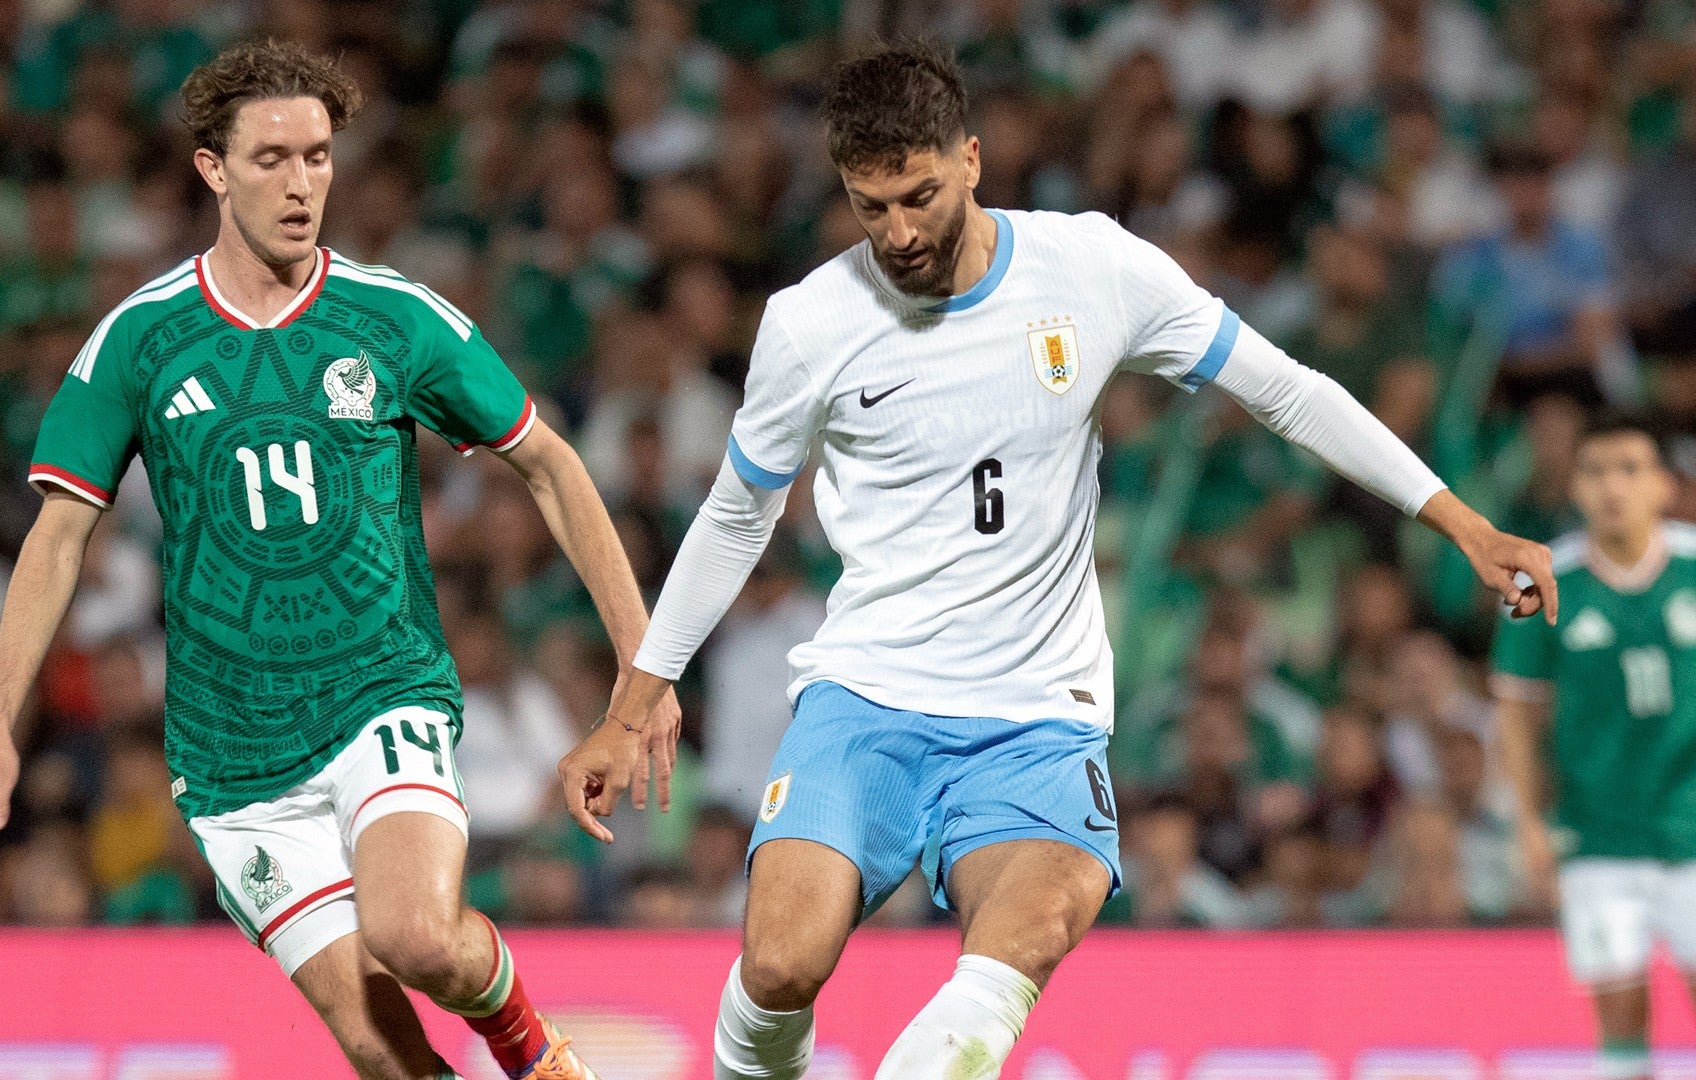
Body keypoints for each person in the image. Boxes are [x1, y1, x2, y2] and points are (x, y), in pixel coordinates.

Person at [559, 40, 1557, 1080]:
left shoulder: (1091, 269)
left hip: (1037, 716)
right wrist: (638, 697)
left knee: (1030, 934)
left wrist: (1463, 524)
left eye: (920, 196)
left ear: (974, 159)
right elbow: (734, 515)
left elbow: (1287, 391)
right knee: (778, 967)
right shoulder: (811, 325)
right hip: (867, 697)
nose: (898, 232)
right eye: (870, 208)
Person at [0, 40, 676, 1080]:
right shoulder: (139, 338)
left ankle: (529, 1047)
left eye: (319, 158)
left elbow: (551, 465)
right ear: (212, 169)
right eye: (272, 160)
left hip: (381, 693)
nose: (301, 186)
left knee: (418, 935)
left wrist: (638, 664)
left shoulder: (392, 317)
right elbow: (58, 537)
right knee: (379, 1048)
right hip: (231, 755)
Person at [1493, 412, 1696, 1080]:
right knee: (1618, 1014)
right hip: (1595, 837)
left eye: (1630, 469)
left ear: (1664, 485)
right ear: (1574, 487)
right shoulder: (1533, 587)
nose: (1613, 486)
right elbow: (1517, 714)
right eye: (1596, 471)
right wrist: (1527, 823)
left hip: (1692, 830)